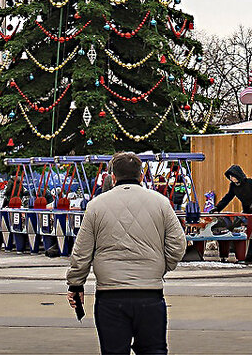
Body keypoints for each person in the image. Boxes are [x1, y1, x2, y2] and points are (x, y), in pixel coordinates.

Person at [66, 152, 187, 355]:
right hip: (150, 294)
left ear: (113, 177)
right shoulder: (161, 203)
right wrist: (159, 267)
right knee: (153, 350)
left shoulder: (96, 206)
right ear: (141, 176)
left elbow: (82, 251)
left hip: (110, 296)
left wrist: (76, 283)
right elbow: (178, 244)